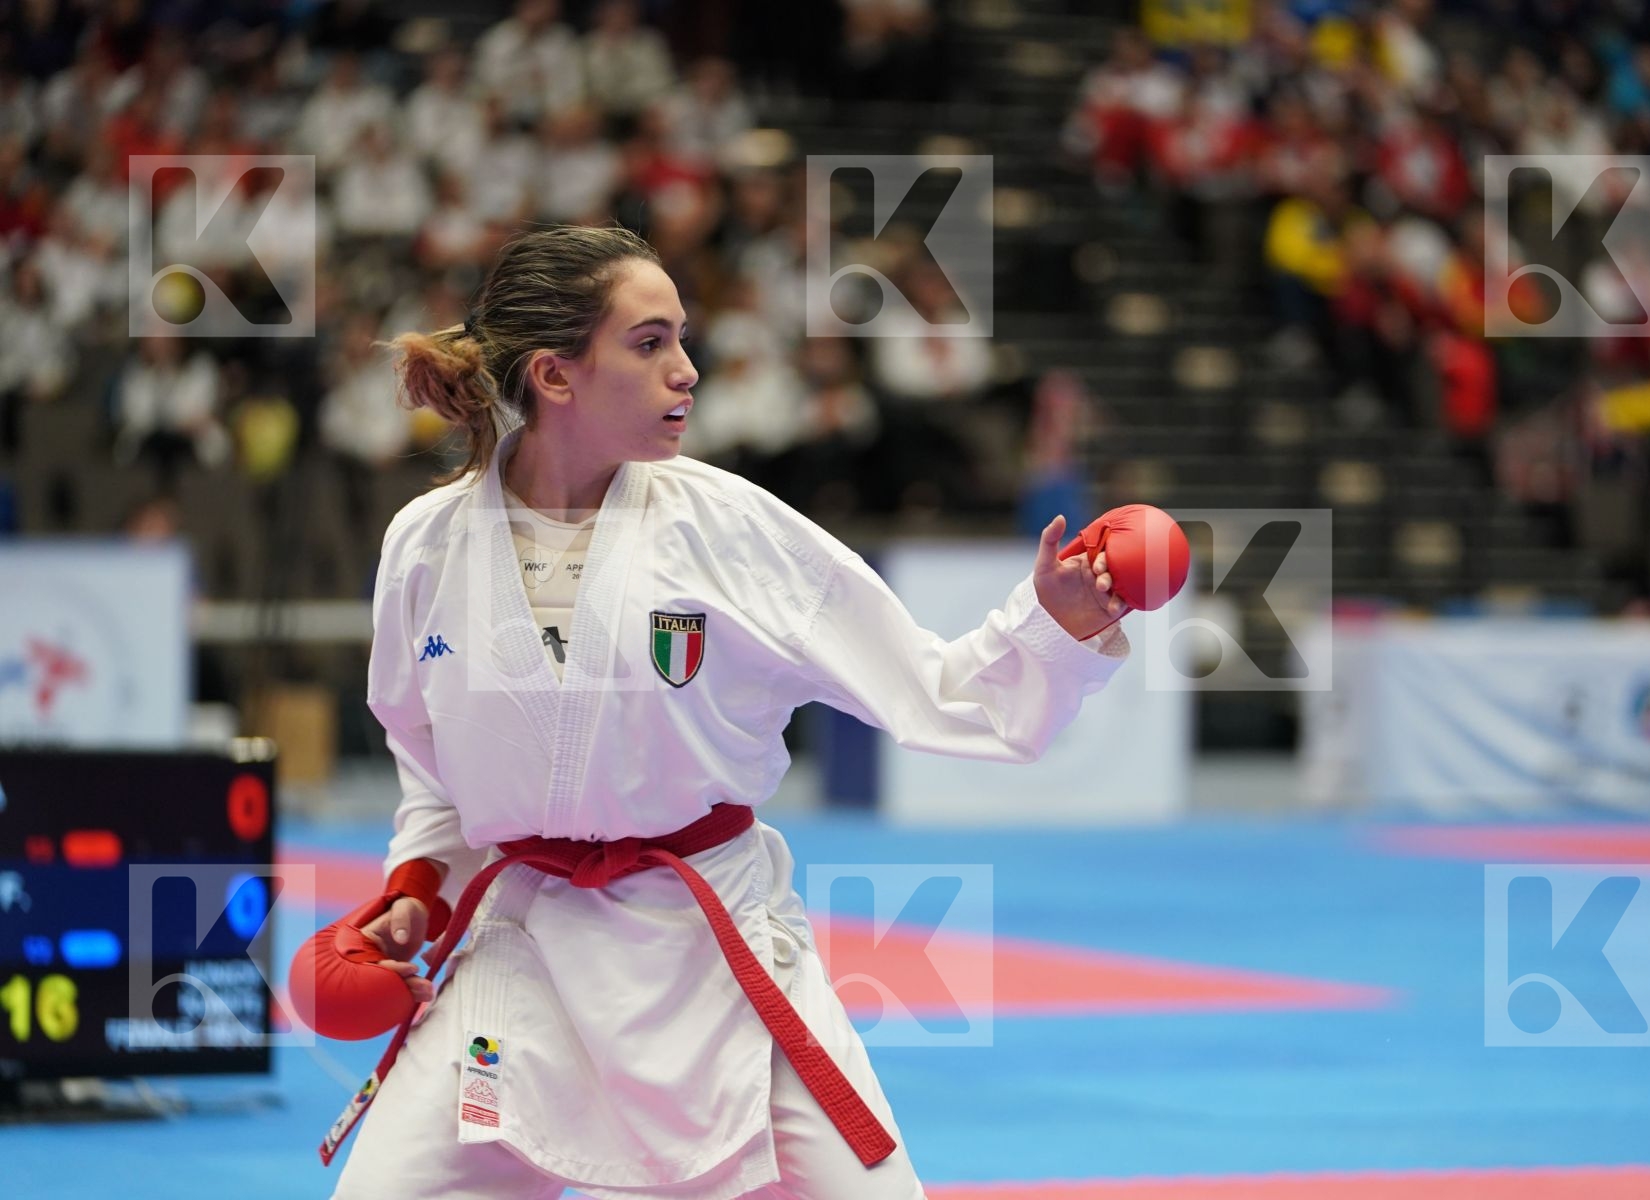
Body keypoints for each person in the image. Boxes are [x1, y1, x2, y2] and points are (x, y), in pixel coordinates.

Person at [327, 225, 1133, 1199]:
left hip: (714, 946)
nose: (688, 371)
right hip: (523, 953)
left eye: (682, 339)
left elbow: (931, 688)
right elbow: (433, 765)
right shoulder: (427, 545)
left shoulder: (728, 528)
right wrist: (416, 885)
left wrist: (1050, 623)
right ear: (555, 374)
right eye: (651, 342)